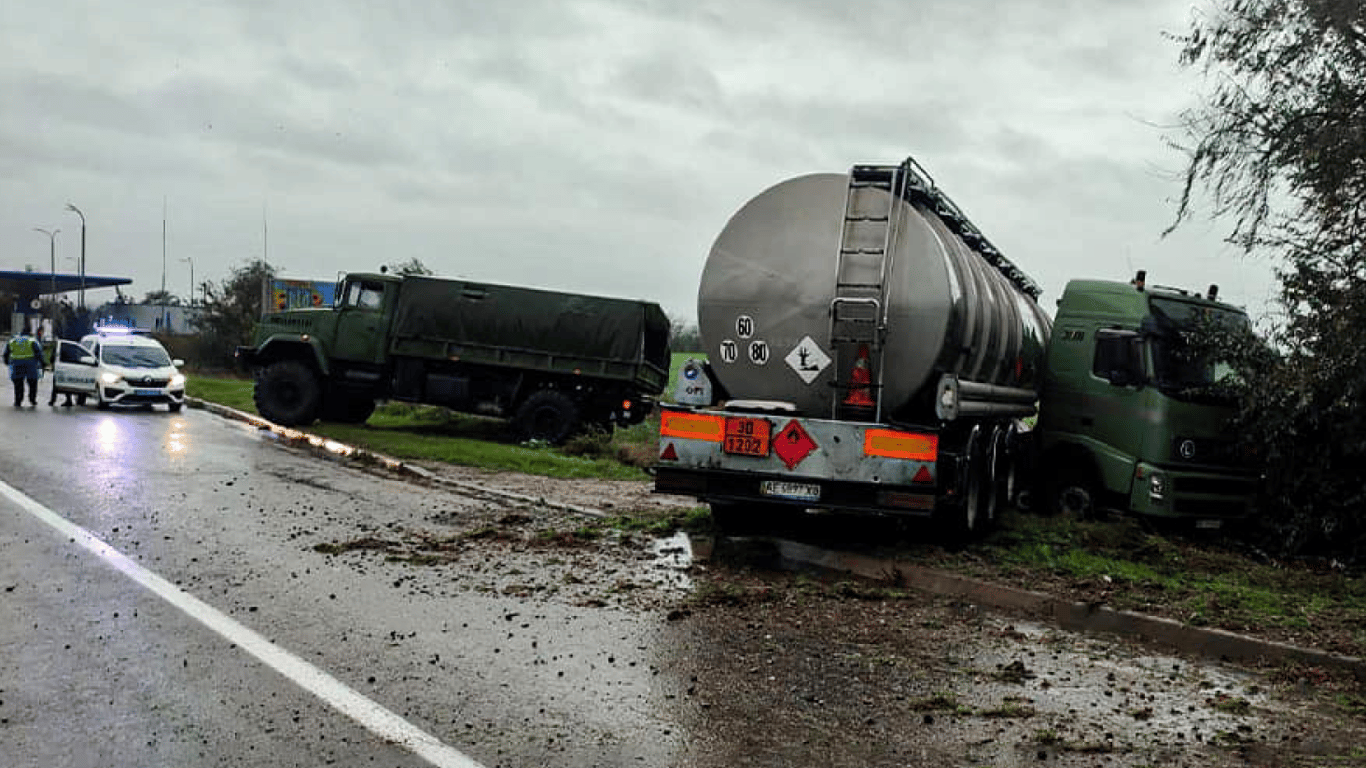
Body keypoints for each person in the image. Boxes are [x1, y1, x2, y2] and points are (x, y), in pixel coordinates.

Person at [5, 330, 46, 407]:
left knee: (18, 383)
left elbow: (6, 352)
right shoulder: (32, 340)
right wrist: (42, 363)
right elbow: (38, 352)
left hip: (16, 364)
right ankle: (32, 399)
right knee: (32, 382)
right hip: (30, 364)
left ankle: (18, 400)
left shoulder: (13, 341)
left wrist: (7, 362)